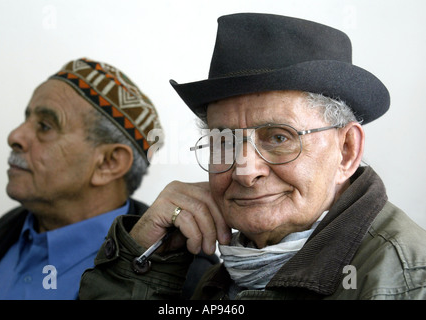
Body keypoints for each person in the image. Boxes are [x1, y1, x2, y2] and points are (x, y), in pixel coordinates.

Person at [78, 14, 426, 300]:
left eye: (278, 137)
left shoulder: (402, 280)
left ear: (347, 151)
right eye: (225, 142)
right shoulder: (229, 270)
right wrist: (144, 259)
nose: (245, 172)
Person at [0, 58, 217, 300]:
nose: (15, 136)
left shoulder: (184, 275)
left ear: (109, 162)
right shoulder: (8, 230)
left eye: (45, 126)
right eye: (26, 119)